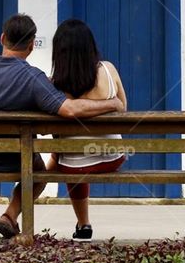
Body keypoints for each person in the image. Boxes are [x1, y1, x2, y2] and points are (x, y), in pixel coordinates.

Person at [0, 13, 125, 239]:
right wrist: (112, 103)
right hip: (17, 160)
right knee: (39, 174)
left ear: (2, 38)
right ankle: (10, 215)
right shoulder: (34, 79)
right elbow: (68, 109)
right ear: (31, 46)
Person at [46, 18, 128, 242]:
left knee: (69, 154)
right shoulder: (108, 70)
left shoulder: (54, 84)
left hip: (74, 165)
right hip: (113, 157)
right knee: (71, 152)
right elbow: (124, 109)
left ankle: (83, 225)